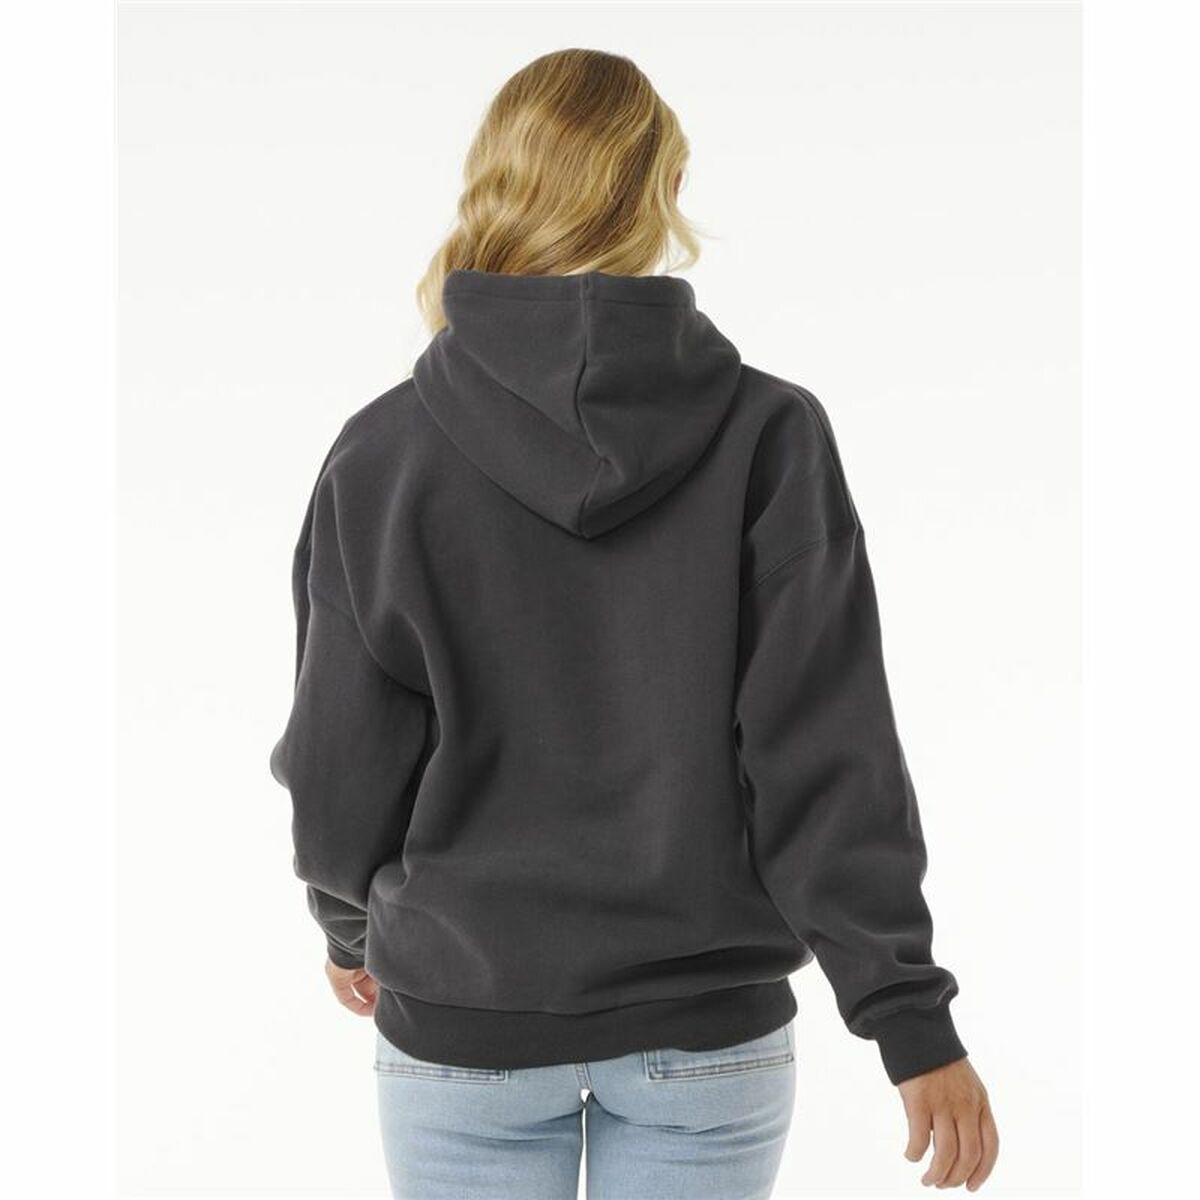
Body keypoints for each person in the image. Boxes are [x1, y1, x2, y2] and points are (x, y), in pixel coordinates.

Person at [269, 47, 999, 1200]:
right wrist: (906, 1015)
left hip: (463, 1026)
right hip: (705, 1035)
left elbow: (339, 754)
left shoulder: (384, 453)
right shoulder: (770, 435)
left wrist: (349, 926)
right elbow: (826, 751)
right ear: (662, 188)